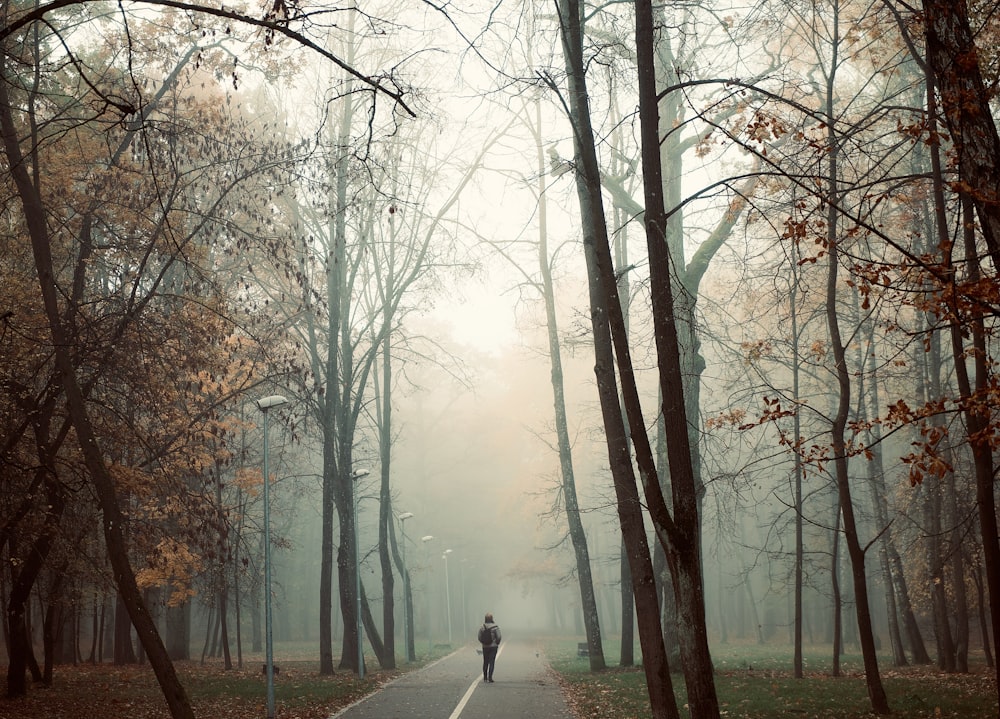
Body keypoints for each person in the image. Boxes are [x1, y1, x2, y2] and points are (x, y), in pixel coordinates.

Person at [477, 612, 501, 682]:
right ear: (492, 619)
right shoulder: (495, 627)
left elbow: (479, 637)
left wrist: (483, 643)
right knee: (492, 662)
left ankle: (485, 678)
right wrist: (497, 643)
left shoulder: (482, 627)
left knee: (485, 661)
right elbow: (499, 637)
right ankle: (490, 677)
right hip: (493, 647)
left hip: (485, 647)